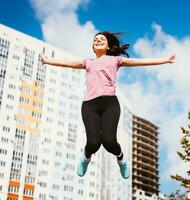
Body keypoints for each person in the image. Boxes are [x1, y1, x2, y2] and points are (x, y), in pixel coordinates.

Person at [39, 31, 175, 179]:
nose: (98, 40)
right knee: (93, 143)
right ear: (92, 46)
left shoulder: (115, 60)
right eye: (95, 39)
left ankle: (121, 159)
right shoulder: (87, 62)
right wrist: (48, 61)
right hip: (90, 105)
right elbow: (67, 63)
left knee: (109, 141)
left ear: (109, 46)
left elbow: (141, 61)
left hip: (110, 104)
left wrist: (165, 60)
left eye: (102, 39)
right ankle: (86, 158)